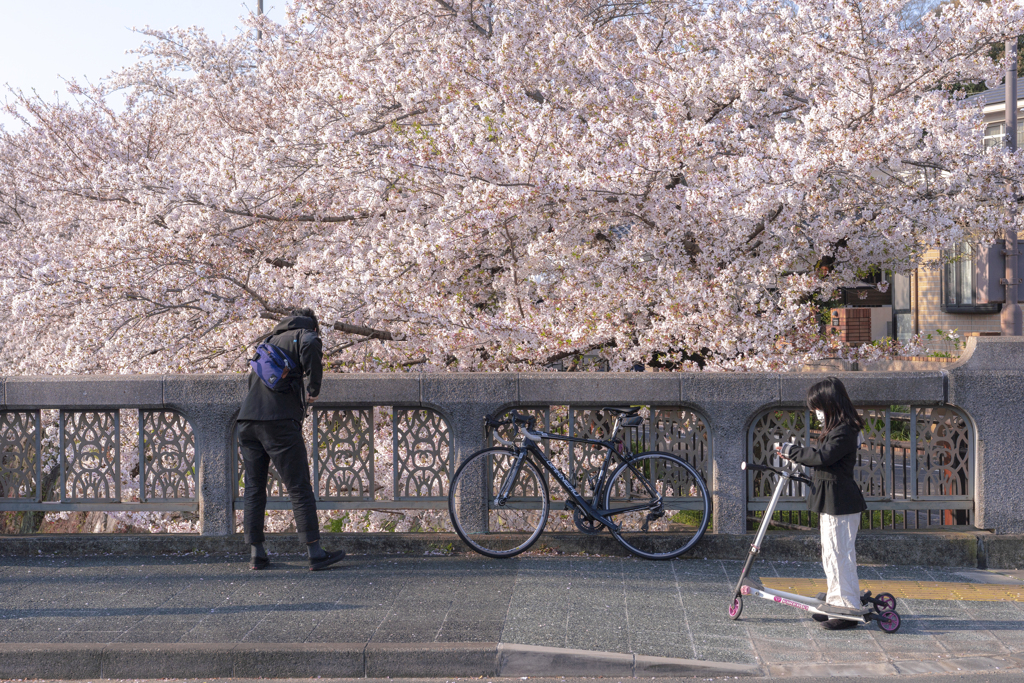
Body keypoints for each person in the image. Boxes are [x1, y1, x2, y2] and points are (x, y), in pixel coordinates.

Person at [237, 308, 345, 571]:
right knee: (298, 485)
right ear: (313, 324)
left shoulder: (270, 341)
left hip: (247, 421)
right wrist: (314, 388)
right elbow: (310, 344)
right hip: (279, 422)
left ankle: (256, 554)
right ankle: (315, 553)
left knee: (254, 487)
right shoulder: (306, 335)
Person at [775, 377, 866, 630]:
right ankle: (838, 603)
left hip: (841, 502)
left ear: (831, 404)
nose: (816, 413)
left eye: (818, 407)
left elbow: (822, 457)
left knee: (839, 555)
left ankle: (847, 609)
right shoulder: (837, 429)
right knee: (832, 555)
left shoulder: (845, 430)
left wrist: (792, 451)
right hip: (833, 501)